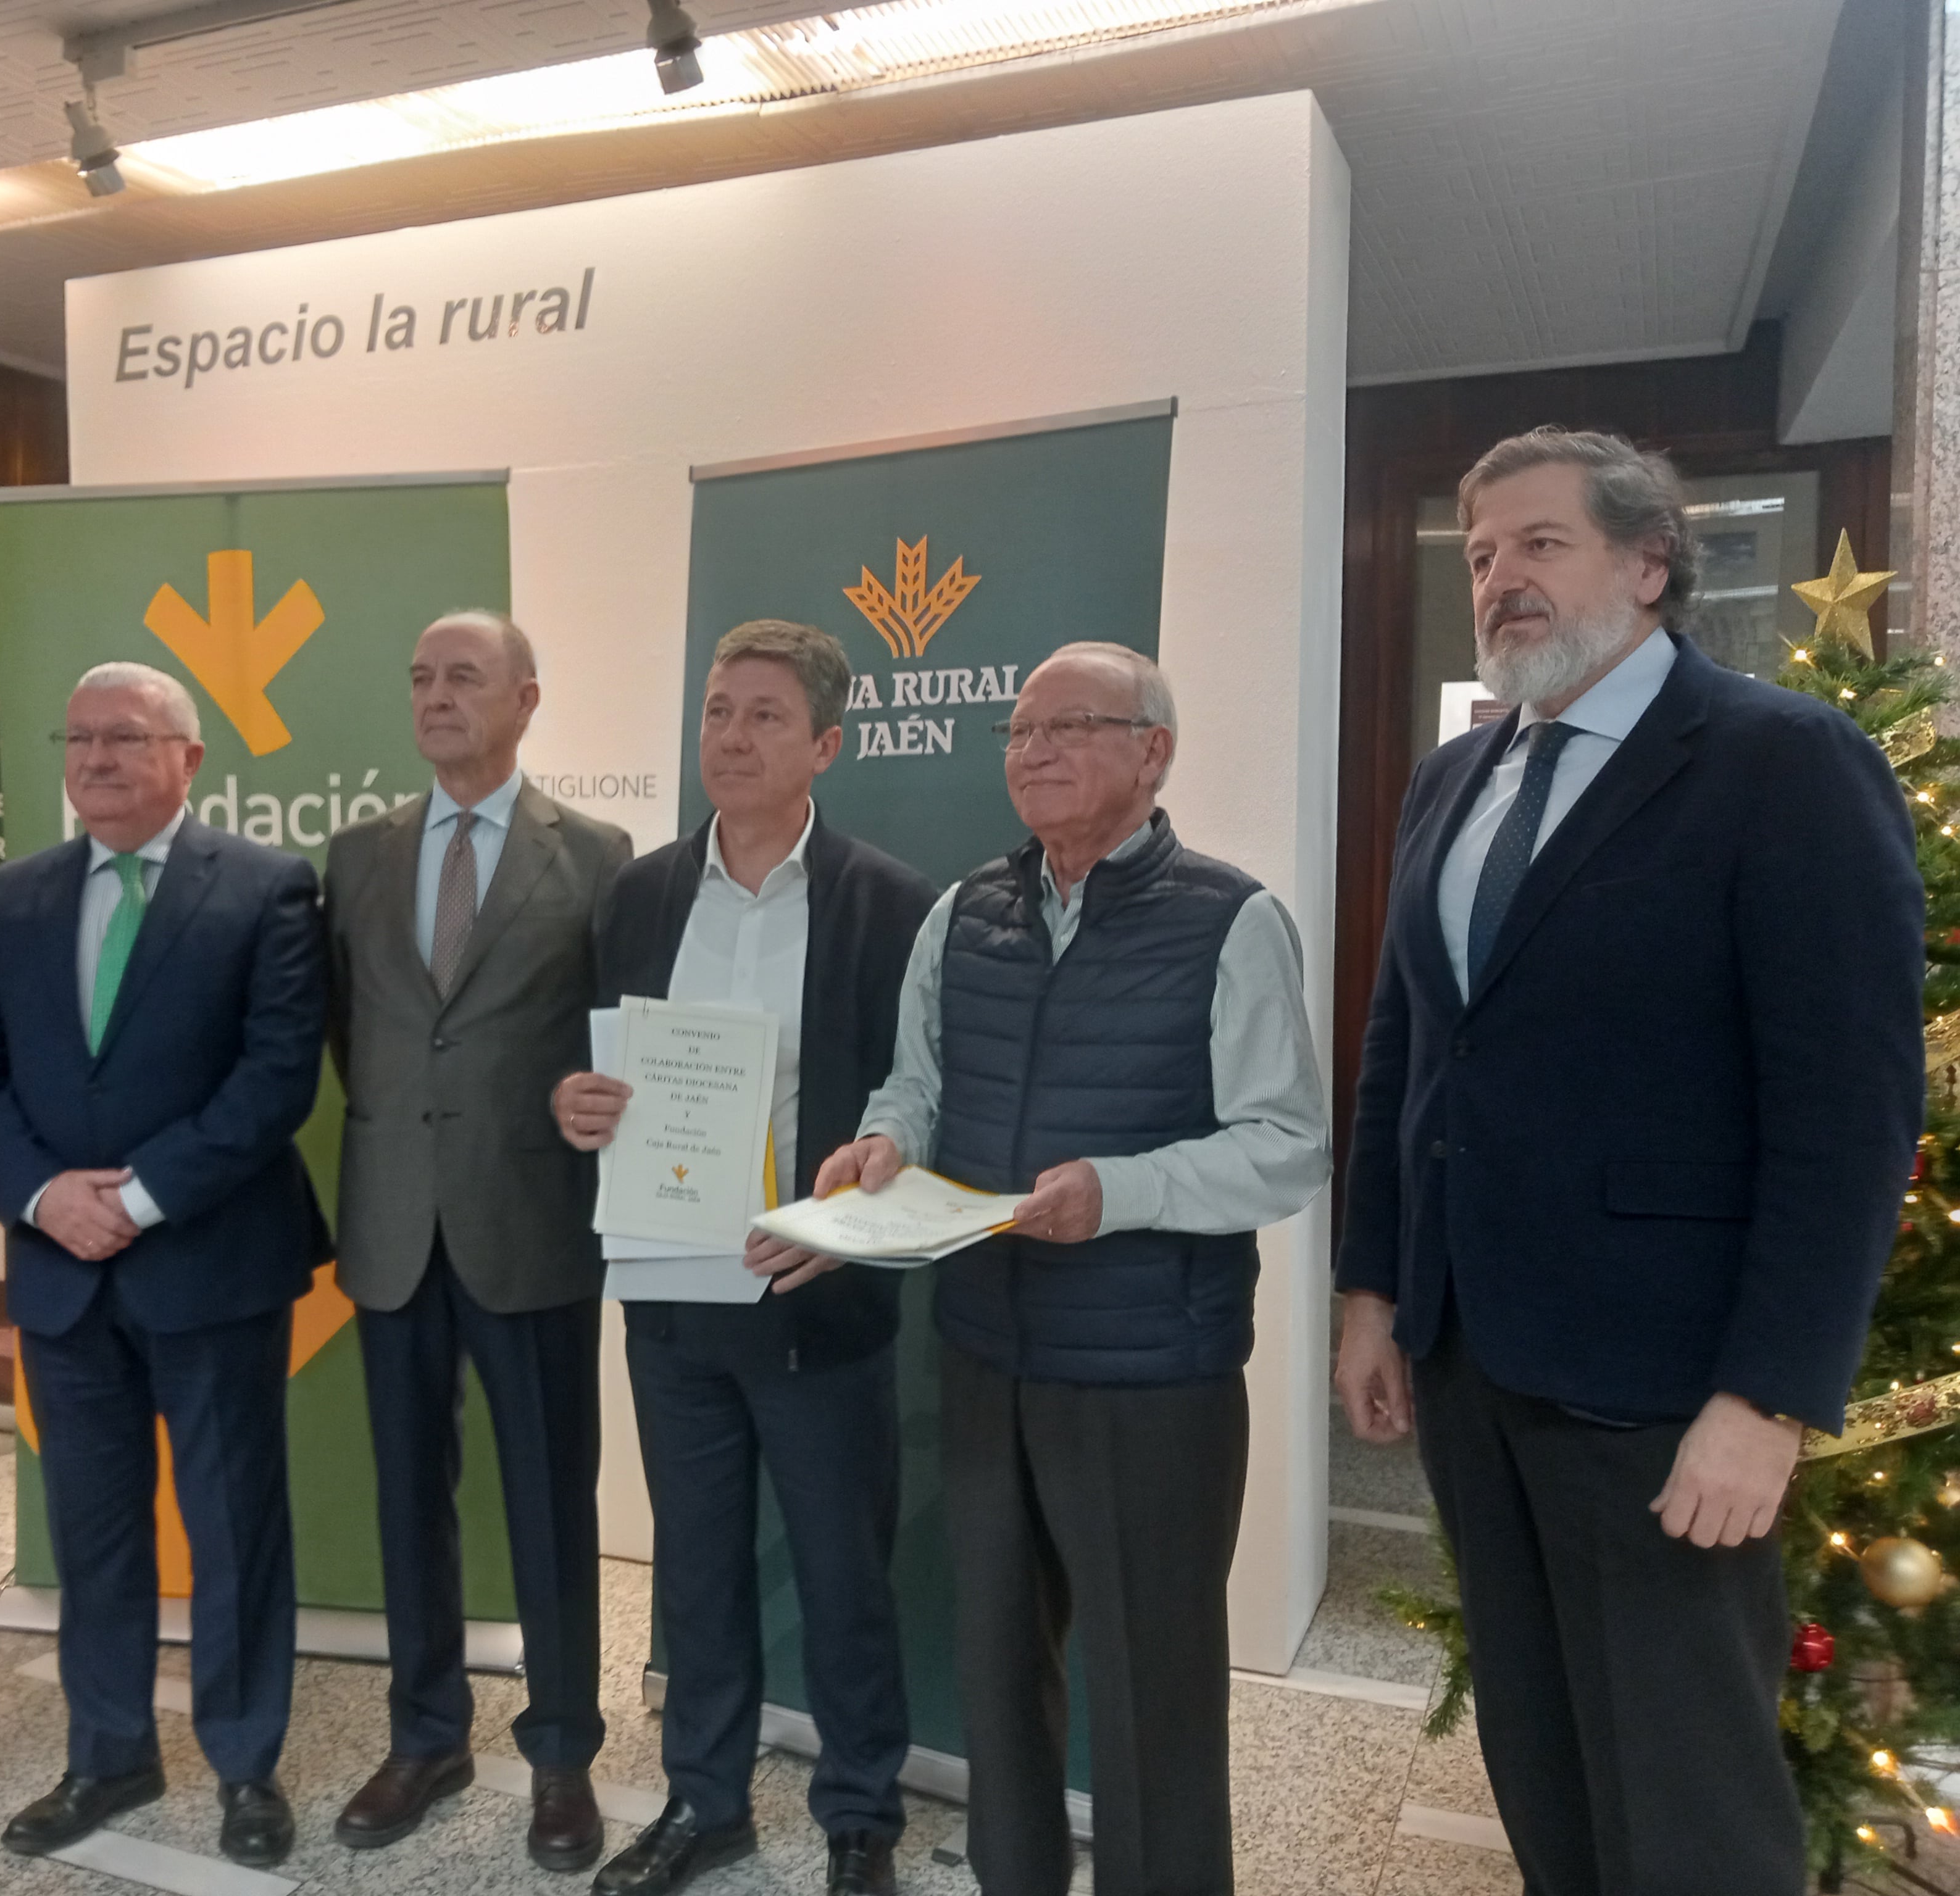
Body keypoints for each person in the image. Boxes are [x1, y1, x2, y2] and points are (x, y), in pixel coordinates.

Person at [1333, 428, 1923, 1896]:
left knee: (1688, 1794)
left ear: (1651, 564)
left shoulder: (1782, 763)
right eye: (1480, 555)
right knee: (1542, 1754)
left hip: (1666, 1390)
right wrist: (1373, 1293)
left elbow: (1849, 1112)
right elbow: (1407, 1055)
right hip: (1473, 1361)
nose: (1501, 581)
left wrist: (1771, 1398)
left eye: (1542, 544)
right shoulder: (1453, 778)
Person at [819, 642, 1330, 1896]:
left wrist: (1123, 1194)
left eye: (1071, 728)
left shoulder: (1234, 918)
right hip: (990, 1353)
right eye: (1017, 733)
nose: (1033, 753)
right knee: (998, 1680)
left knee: (1153, 1694)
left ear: (1153, 752)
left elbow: (1287, 1147)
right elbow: (917, 1082)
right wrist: (888, 1142)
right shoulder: (962, 913)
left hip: (1153, 1373)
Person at [553, 621, 935, 1896]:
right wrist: (576, 1106)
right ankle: (705, 1803)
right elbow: (589, 1069)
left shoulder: (890, 902)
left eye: (766, 716)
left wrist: (855, 1213)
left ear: (825, 744)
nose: (732, 735)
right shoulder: (642, 892)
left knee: (843, 1580)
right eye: (719, 710)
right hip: (669, 1299)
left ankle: (861, 1815)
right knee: (697, 1575)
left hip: (814, 1304)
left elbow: (916, 1101)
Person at [0, 661, 327, 1871]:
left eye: (127, 738)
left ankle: (247, 1764)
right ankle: (107, 1754)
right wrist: (50, 1196)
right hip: (61, 1269)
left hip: (209, 1260)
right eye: (82, 737)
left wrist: (143, 1198)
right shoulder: (14, 895)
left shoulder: (266, 888)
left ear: (189, 760)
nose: (98, 758)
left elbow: (278, 1076)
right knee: (93, 1532)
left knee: (233, 1525)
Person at [323, 609, 630, 1870]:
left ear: (527, 700)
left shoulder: (602, 856)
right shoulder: (356, 856)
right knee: (409, 1499)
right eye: (420, 676)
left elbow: (619, 1036)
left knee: (552, 1502)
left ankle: (562, 1757)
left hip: (533, 1223)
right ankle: (427, 1734)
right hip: (395, 1226)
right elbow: (355, 1034)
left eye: (464, 676)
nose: (436, 694)